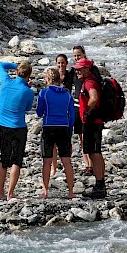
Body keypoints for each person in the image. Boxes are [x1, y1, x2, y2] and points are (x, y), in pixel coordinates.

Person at [0, 61, 34, 201]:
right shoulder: (28, 92)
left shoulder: (6, 81)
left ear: (17, 72)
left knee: (4, 159)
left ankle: (0, 192)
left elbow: (0, 65)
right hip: (18, 127)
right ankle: (10, 193)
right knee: (16, 161)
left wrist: (15, 65)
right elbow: (28, 108)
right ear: (29, 76)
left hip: (4, 126)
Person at [36, 67, 75, 199]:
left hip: (49, 126)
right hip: (63, 127)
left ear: (47, 79)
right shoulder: (67, 94)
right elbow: (72, 116)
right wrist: (69, 131)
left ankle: (46, 191)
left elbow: (39, 112)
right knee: (66, 161)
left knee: (47, 161)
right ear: (60, 79)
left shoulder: (44, 93)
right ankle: (71, 192)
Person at [73, 58, 107, 199]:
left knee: (95, 152)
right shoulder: (89, 81)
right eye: (76, 69)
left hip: (92, 122)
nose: (77, 71)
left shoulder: (89, 82)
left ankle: (100, 185)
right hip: (93, 121)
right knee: (94, 152)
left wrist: (86, 111)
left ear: (87, 69)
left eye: (80, 69)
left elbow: (93, 97)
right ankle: (100, 184)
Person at [71, 45, 100, 176]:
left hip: (89, 110)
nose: (76, 57)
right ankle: (88, 165)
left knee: (91, 143)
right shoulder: (75, 70)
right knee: (82, 137)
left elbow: (94, 95)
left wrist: (87, 110)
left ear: (84, 54)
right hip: (78, 106)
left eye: (78, 55)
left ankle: (95, 170)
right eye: (75, 56)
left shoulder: (92, 72)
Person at [51, 54, 74, 174]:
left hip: (66, 112)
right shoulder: (53, 76)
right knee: (53, 143)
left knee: (67, 141)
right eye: (59, 63)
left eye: (63, 63)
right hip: (54, 112)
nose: (61, 65)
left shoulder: (70, 75)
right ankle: (54, 167)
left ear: (66, 63)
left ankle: (66, 165)